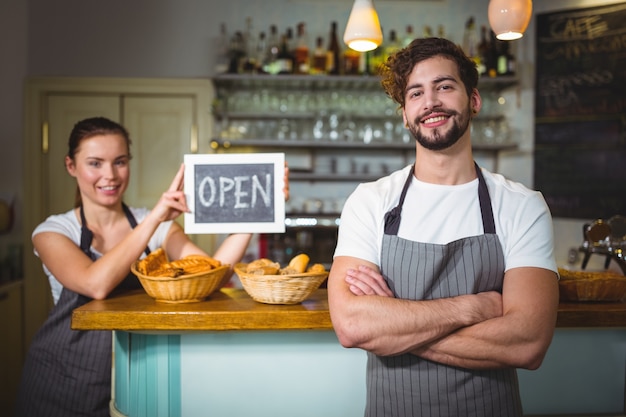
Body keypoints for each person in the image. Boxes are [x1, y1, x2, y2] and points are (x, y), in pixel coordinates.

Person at [327, 37, 559, 417]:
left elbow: (527, 344)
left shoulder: (522, 206)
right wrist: (473, 307)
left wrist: (392, 326)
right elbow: (353, 326)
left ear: (474, 100)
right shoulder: (370, 202)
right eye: (416, 93)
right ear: (405, 113)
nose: (430, 102)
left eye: (445, 87)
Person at [14, 116, 289, 417]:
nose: (110, 175)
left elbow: (214, 273)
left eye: (119, 162)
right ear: (71, 166)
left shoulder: (156, 225)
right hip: (60, 380)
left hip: (137, 377)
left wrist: (259, 208)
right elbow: (95, 284)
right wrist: (155, 218)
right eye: (95, 163)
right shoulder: (53, 231)